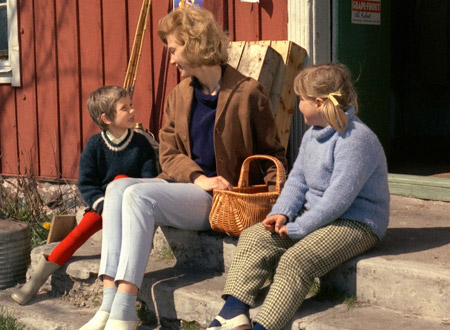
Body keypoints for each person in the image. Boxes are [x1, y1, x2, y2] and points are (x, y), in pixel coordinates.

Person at [79, 5, 287, 330]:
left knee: (137, 197)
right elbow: (169, 152)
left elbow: (274, 154)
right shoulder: (180, 95)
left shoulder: (248, 94)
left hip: (224, 199)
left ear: (194, 45)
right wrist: (198, 177)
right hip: (189, 187)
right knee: (117, 187)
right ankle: (109, 302)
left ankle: (124, 308)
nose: (171, 58)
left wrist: (281, 206)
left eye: (174, 50)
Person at [208, 63, 390, 330]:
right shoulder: (312, 135)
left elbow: (337, 200)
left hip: (356, 222)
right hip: (318, 216)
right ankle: (233, 311)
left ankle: (263, 326)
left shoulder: (356, 140)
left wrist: (298, 228)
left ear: (318, 103)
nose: (297, 105)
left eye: (300, 100)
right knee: (253, 236)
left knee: (296, 260)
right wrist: (280, 213)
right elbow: (297, 181)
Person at [11, 86, 157, 306]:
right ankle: (38, 279)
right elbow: (87, 184)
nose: (132, 111)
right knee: (76, 234)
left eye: (131, 105)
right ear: (106, 118)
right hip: (103, 207)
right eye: (124, 108)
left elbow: (148, 180)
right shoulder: (95, 145)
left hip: (132, 205)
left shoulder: (141, 144)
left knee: (121, 181)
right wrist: (102, 204)